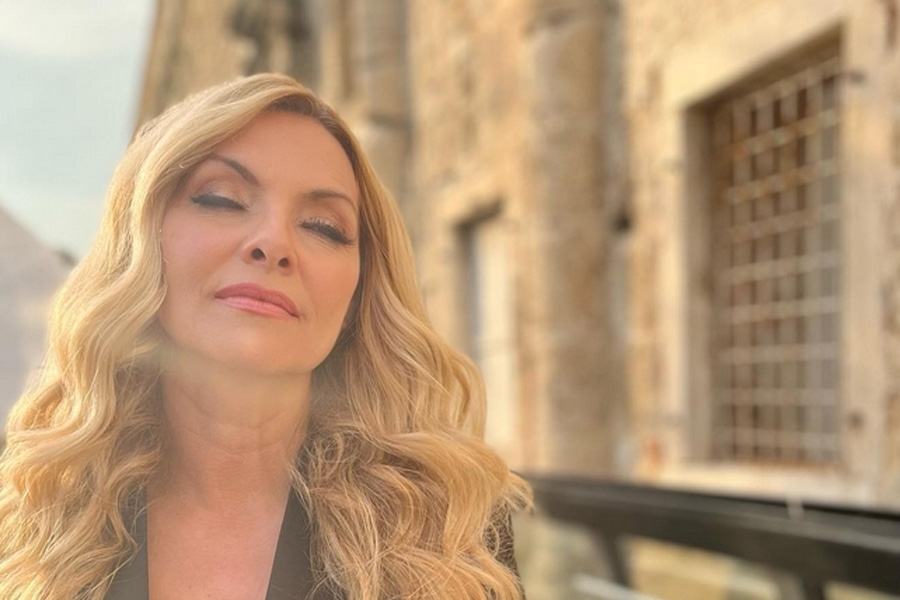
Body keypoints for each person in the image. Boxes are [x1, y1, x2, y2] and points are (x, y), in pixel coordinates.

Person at [0, 73, 530, 600]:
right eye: (221, 199)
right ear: (139, 241)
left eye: (324, 227)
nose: (274, 243)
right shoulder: (31, 517)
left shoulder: (447, 531)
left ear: (357, 295)